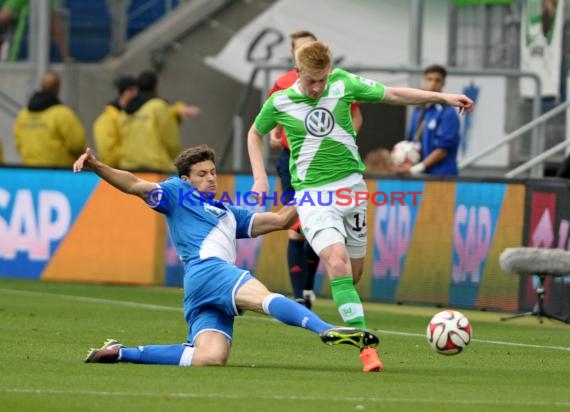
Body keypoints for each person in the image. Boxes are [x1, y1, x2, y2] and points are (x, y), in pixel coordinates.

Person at [247, 41, 474, 372]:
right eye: (310, 80)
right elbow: (255, 133)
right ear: (298, 72)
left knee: (352, 274)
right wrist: (260, 177)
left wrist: (441, 98)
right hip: (313, 195)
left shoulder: (342, 82)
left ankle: (340, 296)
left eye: (321, 80)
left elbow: (393, 94)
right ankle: (367, 349)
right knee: (337, 264)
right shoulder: (280, 100)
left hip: (352, 190)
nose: (316, 87)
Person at [75, 144, 379, 370]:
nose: (210, 179)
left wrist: (312, 188)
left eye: (212, 172)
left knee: (210, 357)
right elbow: (134, 184)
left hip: (201, 290)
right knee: (264, 297)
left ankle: (122, 352)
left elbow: (282, 220)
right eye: (202, 174)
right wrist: (97, 166)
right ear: (185, 178)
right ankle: (325, 329)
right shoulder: (176, 193)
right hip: (210, 271)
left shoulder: (228, 213)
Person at [269, 30, 363, 309]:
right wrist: (276, 137)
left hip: (332, 167)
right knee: (297, 226)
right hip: (294, 163)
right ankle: (300, 296)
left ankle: (307, 288)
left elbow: (355, 115)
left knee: (320, 228)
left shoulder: (333, 83)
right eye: (301, 49)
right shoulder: (283, 85)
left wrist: (343, 143)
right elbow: (275, 123)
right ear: (294, 57)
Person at [119, 70, 201, 172]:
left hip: (128, 167)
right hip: (155, 167)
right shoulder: (158, 106)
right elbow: (170, 139)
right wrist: (178, 159)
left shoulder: (126, 110)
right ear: (155, 87)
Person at [396, 64, 461, 176]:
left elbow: (444, 149)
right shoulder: (418, 111)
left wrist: (418, 168)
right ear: (424, 81)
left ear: (443, 83)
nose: (433, 83)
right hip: (420, 175)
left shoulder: (448, 113)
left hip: (442, 176)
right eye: (429, 79)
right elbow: (412, 141)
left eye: (437, 80)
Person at [14, 71, 87, 166]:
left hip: (30, 171)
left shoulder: (23, 115)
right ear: (58, 88)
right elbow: (77, 145)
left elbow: (18, 142)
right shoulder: (63, 114)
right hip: (60, 172)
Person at [0, 0, 71, 61]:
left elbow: (4, 16)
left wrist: (66, 55)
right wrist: (66, 56)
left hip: (25, 53)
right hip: (39, 55)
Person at [92, 75, 138, 167]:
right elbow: (109, 154)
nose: (136, 94)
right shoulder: (107, 119)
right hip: (117, 170)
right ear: (123, 92)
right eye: (131, 90)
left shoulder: (133, 115)